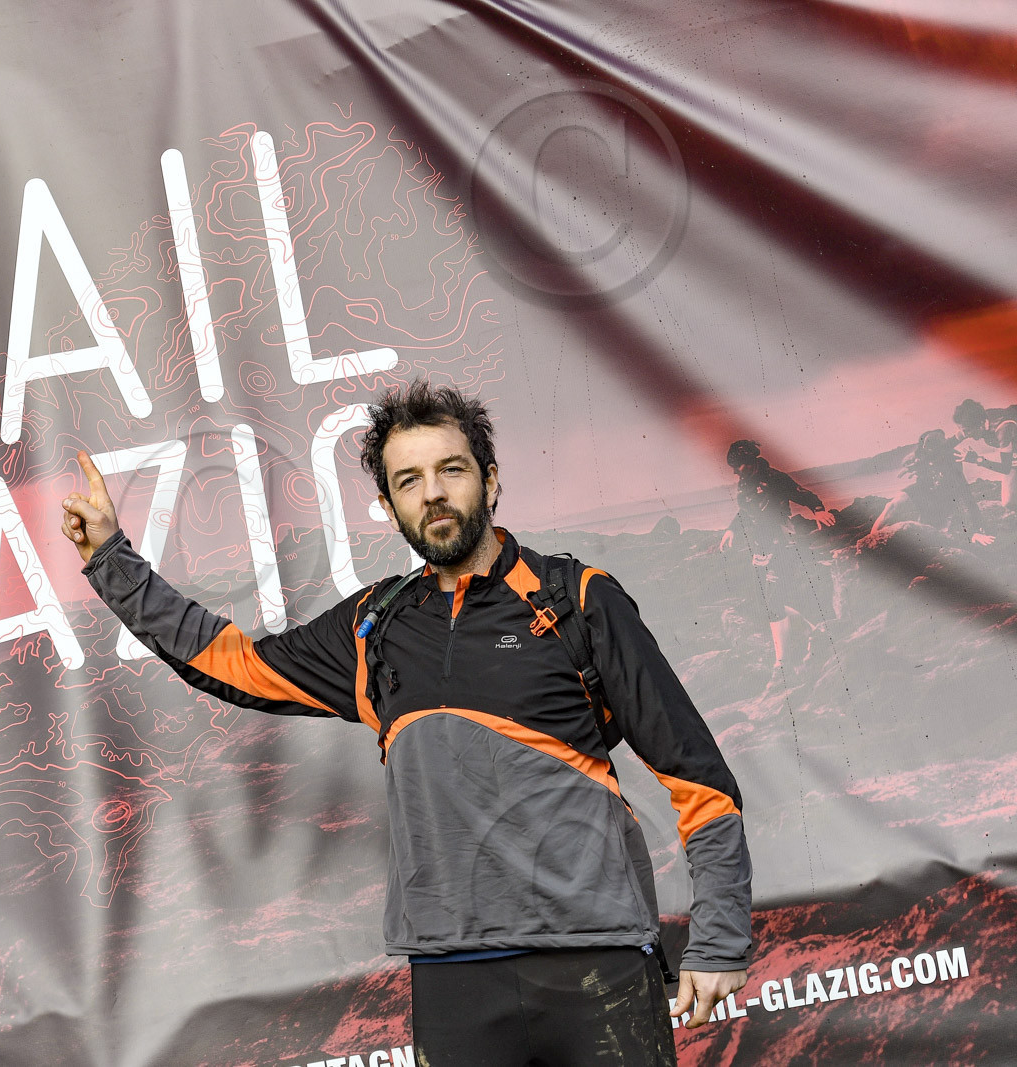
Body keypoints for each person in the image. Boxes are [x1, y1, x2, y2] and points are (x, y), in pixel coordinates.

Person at [63, 381, 750, 1065]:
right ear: (390, 507)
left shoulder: (577, 599)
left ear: (490, 480)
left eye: (452, 469)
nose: (434, 494)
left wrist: (719, 937)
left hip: (596, 956)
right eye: (409, 481)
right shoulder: (374, 626)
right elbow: (236, 664)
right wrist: (110, 559)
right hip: (453, 977)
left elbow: (696, 775)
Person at [717, 440, 836, 674]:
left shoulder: (774, 478)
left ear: (751, 461)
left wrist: (819, 510)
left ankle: (781, 661)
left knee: (773, 602)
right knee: (764, 603)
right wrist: (731, 530)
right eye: (734, 467)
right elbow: (746, 511)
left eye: (739, 465)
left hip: (782, 544)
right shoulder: (745, 484)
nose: (736, 471)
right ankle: (814, 632)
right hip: (760, 549)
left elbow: (803, 494)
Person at [870, 429, 995, 546]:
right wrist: (916, 464)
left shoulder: (951, 458)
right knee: (892, 505)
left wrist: (974, 530)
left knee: (930, 534)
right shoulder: (920, 456)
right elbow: (908, 461)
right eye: (928, 447)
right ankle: (870, 539)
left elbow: (965, 495)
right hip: (924, 489)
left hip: (942, 497)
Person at [950, 398, 1017, 509]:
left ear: (980, 425)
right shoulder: (977, 421)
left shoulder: (1002, 429)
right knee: (1008, 502)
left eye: (967, 431)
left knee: (1010, 501)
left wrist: (978, 460)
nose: (965, 435)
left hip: (1011, 451)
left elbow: (1006, 468)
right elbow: (950, 442)